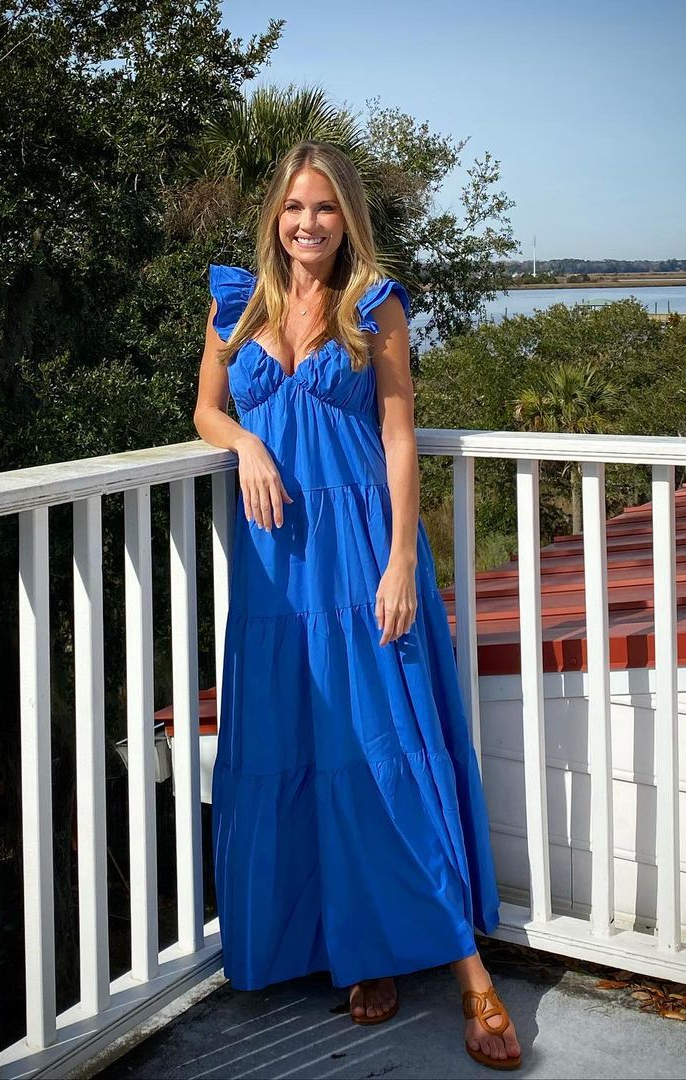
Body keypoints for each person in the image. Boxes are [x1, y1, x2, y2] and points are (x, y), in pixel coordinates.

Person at [192, 139, 522, 1071]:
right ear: (275, 217)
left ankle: (470, 977)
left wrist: (402, 565)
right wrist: (247, 448)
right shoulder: (235, 303)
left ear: (348, 220)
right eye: (296, 208)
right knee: (305, 748)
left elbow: (400, 433)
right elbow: (208, 410)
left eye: (326, 209)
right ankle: (355, 952)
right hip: (275, 567)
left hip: (361, 552)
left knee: (386, 749)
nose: (309, 224)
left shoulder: (374, 306)